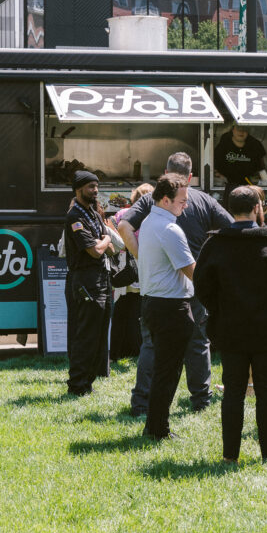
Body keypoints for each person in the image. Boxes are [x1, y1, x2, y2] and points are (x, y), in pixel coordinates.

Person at [119, 153, 233, 416]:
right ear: (191, 177)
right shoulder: (204, 200)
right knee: (197, 343)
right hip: (194, 285)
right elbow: (232, 229)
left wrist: (142, 259)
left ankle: (143, 402)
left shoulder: (153, 201)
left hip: (158, 287)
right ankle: (201, 399)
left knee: (152, 345)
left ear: (164, 174)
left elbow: (123, 225)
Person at [194, 186, 267, 463]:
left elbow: (201, 285)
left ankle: (230, 457)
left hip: (230, 329)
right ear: (257, 208)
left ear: (231, 210)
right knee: (266, 392)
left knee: (233, 391)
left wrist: (218, 311)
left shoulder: (215, 243)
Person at [138, 173, 196, 441]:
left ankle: (154, 425)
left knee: (163, 369)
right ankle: (158, 429)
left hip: (155, 303)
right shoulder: (169, 229)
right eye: (182, 201)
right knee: (167, 372)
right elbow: (192, 271)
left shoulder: (150, 221)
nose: (186, 205)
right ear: (165, 199)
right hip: (171, 307)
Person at [63, 170, 114, 396]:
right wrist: (105, 240)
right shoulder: (75, 216)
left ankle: (88, 383)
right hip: (85, 279)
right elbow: (95, 251)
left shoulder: (93, 213)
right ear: (78, 189)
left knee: (99, 333)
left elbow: (110, 249)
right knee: (85, 334)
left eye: (96, 186)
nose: (95, 191)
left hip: (101, 278)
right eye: (90, 187)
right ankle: (77, 385)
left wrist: (105, 242)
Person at [109, 183, 153, 360]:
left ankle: (117, 350)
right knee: (140, 312)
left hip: (124, 267)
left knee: (121, 311)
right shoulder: (150, 219)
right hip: (142, 268)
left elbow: (112, 228)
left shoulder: (122, 214)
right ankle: (137, 349)